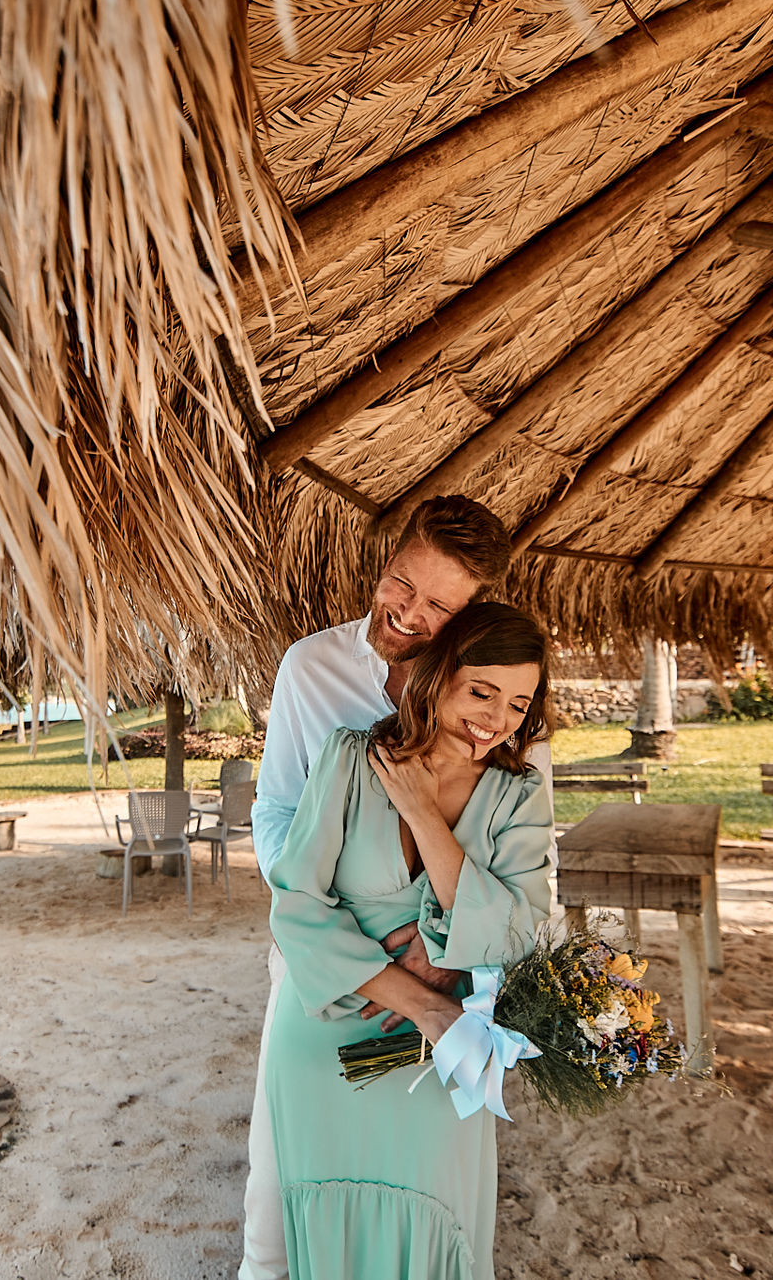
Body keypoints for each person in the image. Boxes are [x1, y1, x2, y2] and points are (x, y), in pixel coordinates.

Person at [240, 497, 521, 1279]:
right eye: (402, 582)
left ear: (472, 614)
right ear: (386, 559)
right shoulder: (311, 667)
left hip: (448, 972)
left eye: (438, 605)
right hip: (321, 962)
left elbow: (516, 862)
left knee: (421, 1189)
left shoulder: (492, 697)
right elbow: (276, 813)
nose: (407, 611)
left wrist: (443, 958)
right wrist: (342, 935)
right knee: (277, 1191)